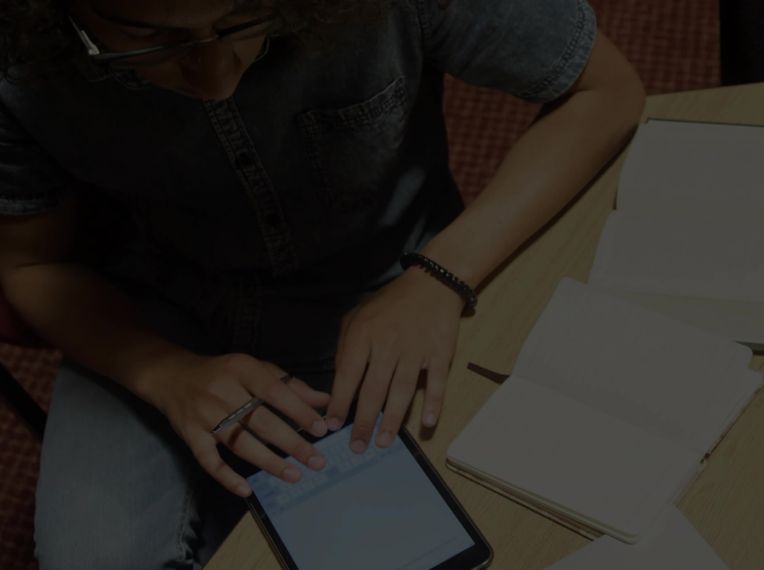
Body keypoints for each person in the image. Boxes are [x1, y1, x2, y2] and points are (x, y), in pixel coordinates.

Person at [0, 0, 645, 567]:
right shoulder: (17, 47)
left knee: (519, 506)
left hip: (392, 278)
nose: (217, 78)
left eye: (244, 18)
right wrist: (162, 372)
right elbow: (31, 267)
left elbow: (605, 91)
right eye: (152, 40)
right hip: (153, 309)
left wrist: (440, 275)